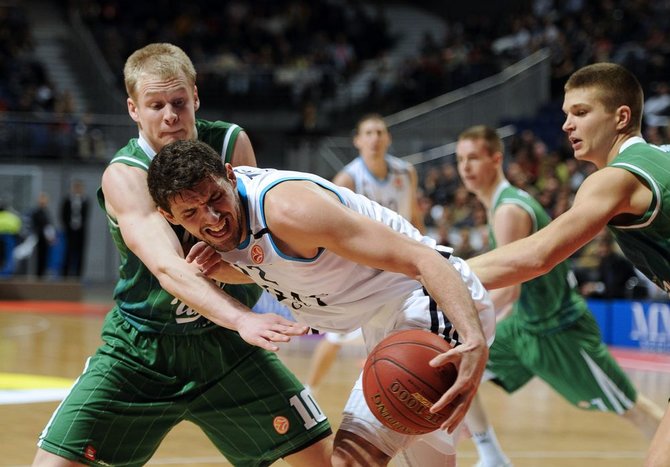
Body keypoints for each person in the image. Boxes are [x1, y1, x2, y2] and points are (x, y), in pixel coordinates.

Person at [32, 43, 333, 466]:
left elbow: (260, 249)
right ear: (134, 109)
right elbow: (168, 268)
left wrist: (261, 276)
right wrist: (244, 317)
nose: (170, 115)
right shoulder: (125, 174)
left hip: (227, 347)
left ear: (195, 96)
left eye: (178, 102)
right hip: (144, 348)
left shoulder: (230, 144)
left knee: (325, 459)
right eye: (156, 105)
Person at [146, 138, 496, 466]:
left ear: (229, 174)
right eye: (191, 213)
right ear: (169, 216)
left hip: (426, 304)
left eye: (214, 199)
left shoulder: (290, 211)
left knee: (347, 460)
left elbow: (425, 259)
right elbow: (274, 264)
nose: (211, 217)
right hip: (382, 322)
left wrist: (473, 339)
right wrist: (226, 269)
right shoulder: (228, 230)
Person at [465, 63, 670, 467]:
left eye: (580, 112)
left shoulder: (614, 179)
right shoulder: (659, 158)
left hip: (558, 326)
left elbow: (537, 255)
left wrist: (432, 271)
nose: (565, 125)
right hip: (528, 327)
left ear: (621, 117)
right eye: (564, 114)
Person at [305, 113, 424, 395]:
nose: (375, 138)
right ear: (358, 141)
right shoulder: (348, 178)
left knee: (409, 326)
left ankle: (399, 391)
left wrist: (425, 248)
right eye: (368, 133)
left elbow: (415, 215)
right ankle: (309, 390)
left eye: (380, 132)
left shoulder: (406, 172)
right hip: (365, 267)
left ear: (388, 138)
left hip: (403, 260)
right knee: (336, 336)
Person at [59, 179, 89, 278]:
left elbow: (86, 215)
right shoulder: (67, 200)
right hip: (70, 230)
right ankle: (65, 274)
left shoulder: (85, 200)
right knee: (68, 251)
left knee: (80, 252)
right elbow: (63, 214)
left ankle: (78, 275)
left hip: (81, 231)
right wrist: (67, 225)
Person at [30, 192, 56, 278]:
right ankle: (37, 274)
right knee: (38, 257)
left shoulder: (46, 212)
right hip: (38, 237)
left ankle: (42, 273)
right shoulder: (36, 212)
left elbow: (48, 225)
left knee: (45, 256)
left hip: (45, 239)